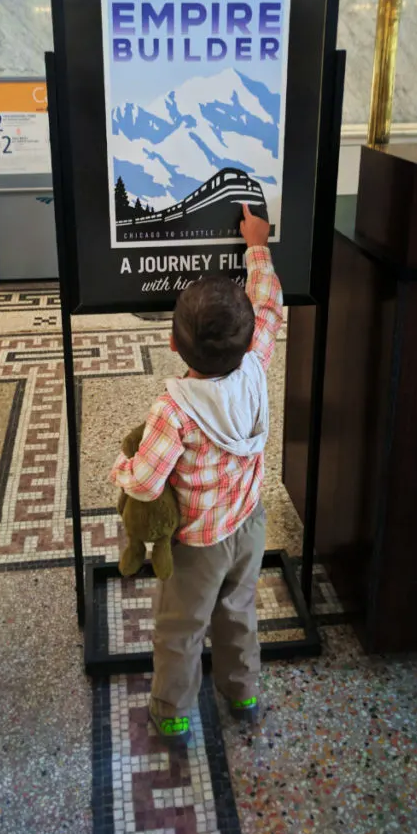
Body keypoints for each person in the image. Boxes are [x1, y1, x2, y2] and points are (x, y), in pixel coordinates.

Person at [110, 204, 284, 744]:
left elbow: (144, 480)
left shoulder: (175, 409)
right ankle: (243, 691)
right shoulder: (255, 363)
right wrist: (257, 245)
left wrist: (119, 465)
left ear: (171, 341)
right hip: (248, 526)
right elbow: (269, 304)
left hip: (196, 544)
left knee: (181, 627)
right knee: (238, 609)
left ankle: (173, 709)